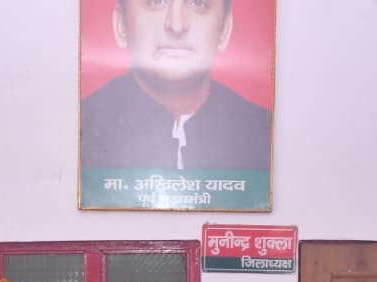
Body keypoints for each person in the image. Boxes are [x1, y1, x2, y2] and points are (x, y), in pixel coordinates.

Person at [82, 0, 271, 171]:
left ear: (224, 29)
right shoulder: (82, 127)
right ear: (122, 24)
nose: (176, 25)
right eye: (156, 2)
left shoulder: (264, 134)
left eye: (198, 3)